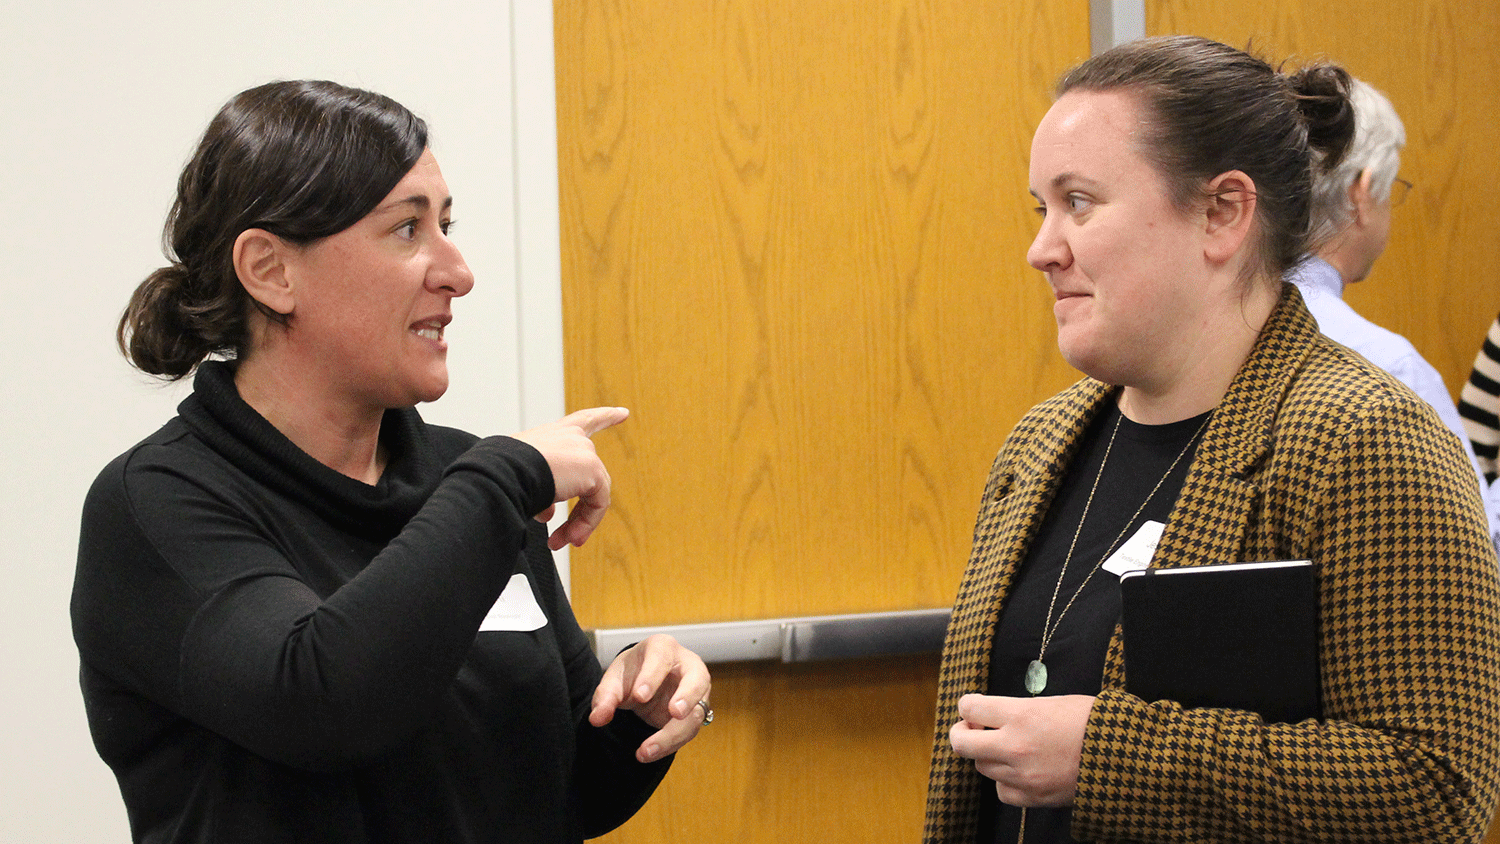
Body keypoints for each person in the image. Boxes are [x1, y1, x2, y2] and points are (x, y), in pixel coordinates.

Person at [72, 80, 712, 844]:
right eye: (408, 230)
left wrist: (642, 704)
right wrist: (504, 479)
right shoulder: (159, 503)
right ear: (271, 270)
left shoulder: (464, 476)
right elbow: (322, 702)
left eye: (446, 224)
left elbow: (557, 784)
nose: (458, 272)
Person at [924, 36, 1500, 844]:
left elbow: (1437, 794)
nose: (1042, 249)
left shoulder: (1367, 441)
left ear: (1223, 213)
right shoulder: (1038, 445)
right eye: (1040, 208)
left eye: (1079, 201)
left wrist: (1107, 759)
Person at [1286, 76, 1499, 546]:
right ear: (1361, 193)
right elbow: (1479, 550)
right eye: (1393, 188)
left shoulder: (1206, 331)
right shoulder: (1387, 367)